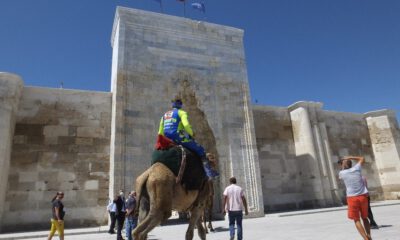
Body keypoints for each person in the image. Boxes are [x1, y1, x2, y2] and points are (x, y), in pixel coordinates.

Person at [158, 98, 219, 179]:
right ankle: (209, 173)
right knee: (201, 150)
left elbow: (160, 131)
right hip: (178, 137)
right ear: (180, 105)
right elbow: (186, 125)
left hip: (167, 139)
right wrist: (191, 133)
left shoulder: (165, 115)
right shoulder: (181, 113)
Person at [338, 156, 372, 240]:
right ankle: (369, 236)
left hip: (352, 198)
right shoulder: (357, 168)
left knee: (356, 219)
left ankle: (366, 239)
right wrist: (350, 157)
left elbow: (341, 174)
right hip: (363, 197)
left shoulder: (342, 173)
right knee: (365, 217)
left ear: (343, 165)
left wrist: (343, 165)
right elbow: (362, 158)